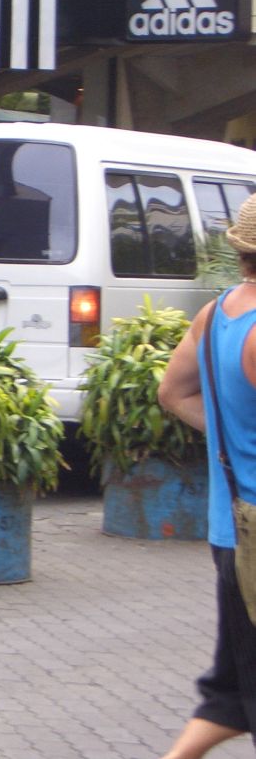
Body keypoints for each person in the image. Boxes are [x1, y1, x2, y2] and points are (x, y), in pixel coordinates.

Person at [158, 194, 256, 759]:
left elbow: (173, 392)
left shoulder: (216, 315)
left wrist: (227, 438)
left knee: (234, 692)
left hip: (232, 530)